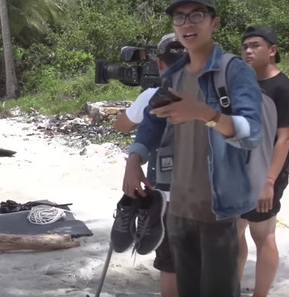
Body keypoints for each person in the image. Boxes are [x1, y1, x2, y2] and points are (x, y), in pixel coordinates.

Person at [122, 0, 265, 296]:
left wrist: (206, 114)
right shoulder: (173, 76)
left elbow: (252, 133)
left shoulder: (234, 72)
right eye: (180, 17)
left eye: (197, 16)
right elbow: (151, 123)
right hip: (178, 208)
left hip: (218, 208)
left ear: (214, 23)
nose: (188, 23)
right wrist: (134, 159)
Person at [113, 33, 185, 297]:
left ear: (160, 63)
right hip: (205, 194)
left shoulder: (151, 95)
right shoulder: (216, 89)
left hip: (164, 191)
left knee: (170, 265)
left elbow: (121, 125)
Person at [237, 25, 289, 297]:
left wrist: (269, 181)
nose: (248, 51)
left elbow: (284, 138)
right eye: (245, 46)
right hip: (241, 170)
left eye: (255, 45)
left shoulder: (283, 88)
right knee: (233, 232)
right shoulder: (244, 82)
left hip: (267, 173)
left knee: (262, 235)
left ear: (272, 51)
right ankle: (230, 286)